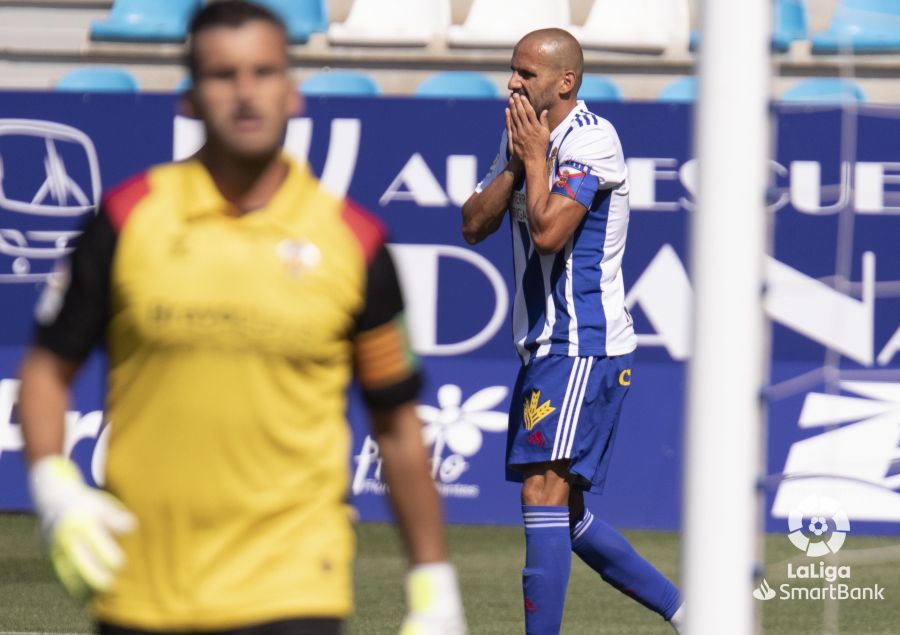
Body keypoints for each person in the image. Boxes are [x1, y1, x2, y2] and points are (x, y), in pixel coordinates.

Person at [18, 2, 466, 634]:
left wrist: (434, 588)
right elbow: (44, 370)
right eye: (223, 75)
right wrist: (54, 489)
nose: (246, 92)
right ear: (190, 99)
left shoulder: (355, 242)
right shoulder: (125, 219)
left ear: (293, 93)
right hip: (141, 587)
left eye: (264, 71)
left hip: (293, 589)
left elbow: (396, 426)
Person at [461, 28, 684, 635]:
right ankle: (692, 614)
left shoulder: (592, 139)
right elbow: (472, 223)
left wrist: (535, 158)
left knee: (542, 493)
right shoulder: (521, 139)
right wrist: (516, 160)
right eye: (512, 70)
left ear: (565, 82)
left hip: (582, 344)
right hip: (544, 348)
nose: (512, 82)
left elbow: (549, 233)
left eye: (526, 73)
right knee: (567, 512)